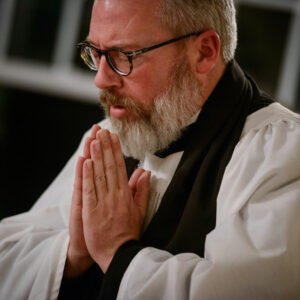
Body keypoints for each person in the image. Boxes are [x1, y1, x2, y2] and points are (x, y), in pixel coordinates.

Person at [0, 0, 300, 299]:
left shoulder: (283, 153)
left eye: (124, 55)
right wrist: (72, 253)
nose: (100, 79)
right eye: (95, 53)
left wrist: (118, 253)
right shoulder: (109, 137)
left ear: (204, 52)